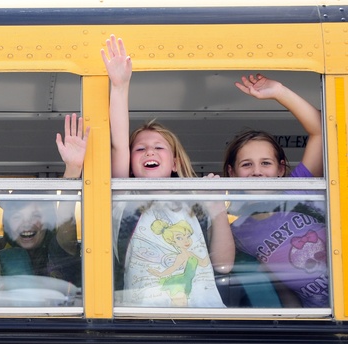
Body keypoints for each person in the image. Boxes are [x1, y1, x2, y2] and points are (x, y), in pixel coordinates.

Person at [105, 35, 234, 307]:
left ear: (175, 163)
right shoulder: (124, 199)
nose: (149, 152)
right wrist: (119, 86)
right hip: (144, 321)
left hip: (204, 320)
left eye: (159, 148)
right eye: (140, 149)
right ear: (130, 163)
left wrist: (217, 209)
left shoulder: (194, 205)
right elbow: (118, 144)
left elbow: (223, 265)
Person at [221, 74, 328, 308]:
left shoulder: (298, 191)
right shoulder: (238, 232)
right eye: (246, 164)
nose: (257, 171)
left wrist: (279, 92)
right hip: (321, 316)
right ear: (232, 172)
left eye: (265, 163)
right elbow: (276, 284)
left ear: (281, 169)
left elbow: (322, 131)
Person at [0, 114, 88, 287]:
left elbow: (65, 218)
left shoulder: (59, 250)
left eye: (35, 215)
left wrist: (73, 170)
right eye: (17, 216)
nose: (27, 223)